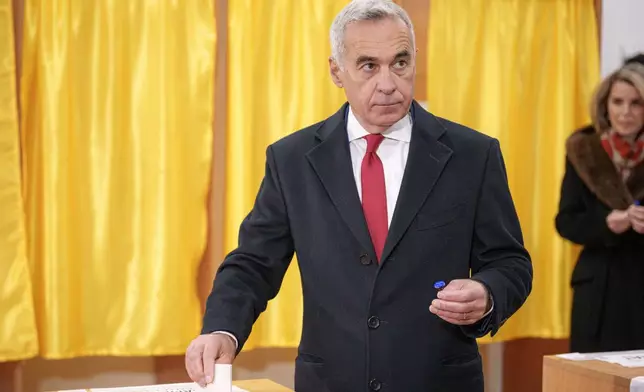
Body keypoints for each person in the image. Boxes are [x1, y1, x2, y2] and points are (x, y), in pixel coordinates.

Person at [186, 1, 532, 391]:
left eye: (400, 63)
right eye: (368, 66)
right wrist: (222, 330)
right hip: (331, 380)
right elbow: (253, 263)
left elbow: (509, 262)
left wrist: (487, 294)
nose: (388, 83)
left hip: (438, 379)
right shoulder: (292, 160)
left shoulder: (473, 155)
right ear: (337, 70)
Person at [556, 62, 644, 353]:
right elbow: (566, 221)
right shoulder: (584, 150)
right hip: (598, 291)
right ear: (605, 105)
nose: (625, 112)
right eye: (617, 102)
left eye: (636, 103)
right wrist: (607, 223)